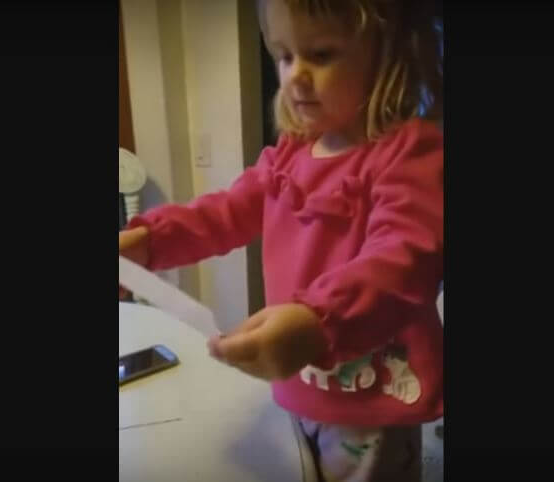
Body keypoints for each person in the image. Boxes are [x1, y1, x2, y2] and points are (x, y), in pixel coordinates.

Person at [119, 0, 442, 479]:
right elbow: (224, 213)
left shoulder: (409, 153)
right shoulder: (288, 155)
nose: (295, 75)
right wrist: (150, 242)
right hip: (295, 388)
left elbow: (402, 259)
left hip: (369, 408)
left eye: (322, 54)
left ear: (387, 52)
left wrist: (320, 319)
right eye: (284, 55)